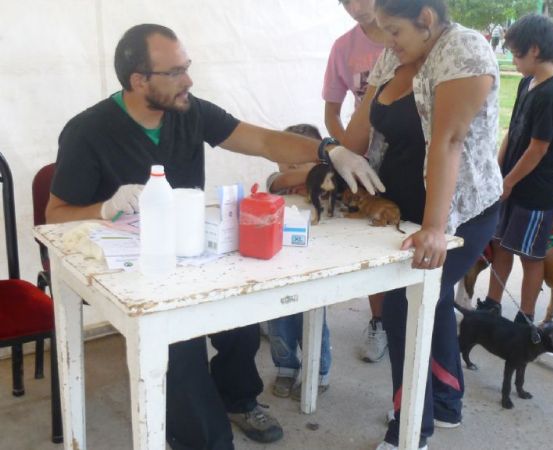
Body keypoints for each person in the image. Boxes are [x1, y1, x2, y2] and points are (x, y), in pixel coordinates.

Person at [45, 24, 382, 450]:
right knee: (182, 352)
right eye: (175, 72)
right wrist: (106, 207)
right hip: (132, 270)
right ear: (138, 80)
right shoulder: (88, 131)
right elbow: (54, 217)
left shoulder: (190, 111)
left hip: (191, 252)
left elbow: (260, 140)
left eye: (187, 68)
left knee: (240, 320)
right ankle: (199, 436)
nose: (188, 80)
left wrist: (327, 150)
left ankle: (238, 398)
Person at [342, 1, 502, 448]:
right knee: (430, 300)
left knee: (404, 304)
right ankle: (447, 401)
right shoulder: (396, 55)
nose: (386, 41)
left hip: (460, 213)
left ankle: (410, 427)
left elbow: (449, 141)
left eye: (394, 30)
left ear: (427, 18)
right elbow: (357, 136)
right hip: (405, 209)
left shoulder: (463, 51)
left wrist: (434, 228)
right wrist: (319, 162)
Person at [475, 14, 553, 324]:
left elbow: (538, 148)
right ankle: (492, 303)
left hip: (535, 191)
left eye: (516, 54)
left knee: (531, 256)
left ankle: (526, 315)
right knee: (501, 244)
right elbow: (512, 132)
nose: (513, 60)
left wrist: (510, 182)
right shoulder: (526, 83)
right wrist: (498, 173)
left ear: (534, 49)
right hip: (511, 184)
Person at [322, 0, 391, 363]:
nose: (355, 6)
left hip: (410, 152)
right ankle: (380, 321)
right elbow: (331, 110)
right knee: (375, 239)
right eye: (345, 1)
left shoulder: (405, 33)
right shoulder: (343, 47)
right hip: (365, 158)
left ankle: (419, 317)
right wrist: (345, 149)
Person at [262, 124, 333, 400]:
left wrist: (320, 172)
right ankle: (286, 368)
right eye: (285, 155)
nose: (291, 164)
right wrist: (304, 171)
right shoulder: (276, 182)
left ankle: (319, 371)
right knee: (279, 323)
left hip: (314, 265)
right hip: (279, 266)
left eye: (300, 157)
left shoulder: (326, 185)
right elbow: (278, 182)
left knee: (315, 322)